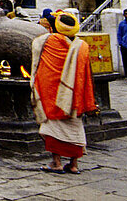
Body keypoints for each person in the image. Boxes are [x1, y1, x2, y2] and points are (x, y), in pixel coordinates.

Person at [30, 10, 97, 175]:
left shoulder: (47, 41)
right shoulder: (82, 46)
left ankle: (57, 162)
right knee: (75, 128)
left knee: (53, 129)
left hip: (51, 94)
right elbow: (87, 73)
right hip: (75, 95)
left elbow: (36, 60)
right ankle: (73, 165)